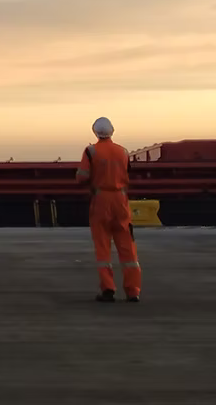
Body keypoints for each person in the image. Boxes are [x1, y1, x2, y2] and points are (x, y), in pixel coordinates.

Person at [76, 116, 141, 302]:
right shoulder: (123, 151)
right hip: (120, 199)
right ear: (112, 131)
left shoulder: (91, 151)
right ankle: (133, 291)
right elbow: (128, 173)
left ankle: (108, 288)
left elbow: (82, 177)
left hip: (101, 199)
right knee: (127, 246)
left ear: (95, 132)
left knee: (102, 245)